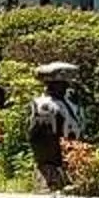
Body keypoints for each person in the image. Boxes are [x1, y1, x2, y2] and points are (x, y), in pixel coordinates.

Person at [25, 61, 83, 190]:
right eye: (61, 84)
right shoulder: (44, 105)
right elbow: (38, 136)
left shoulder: (70, 102)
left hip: (71, 160)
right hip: (52, 164)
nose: (66, 86)